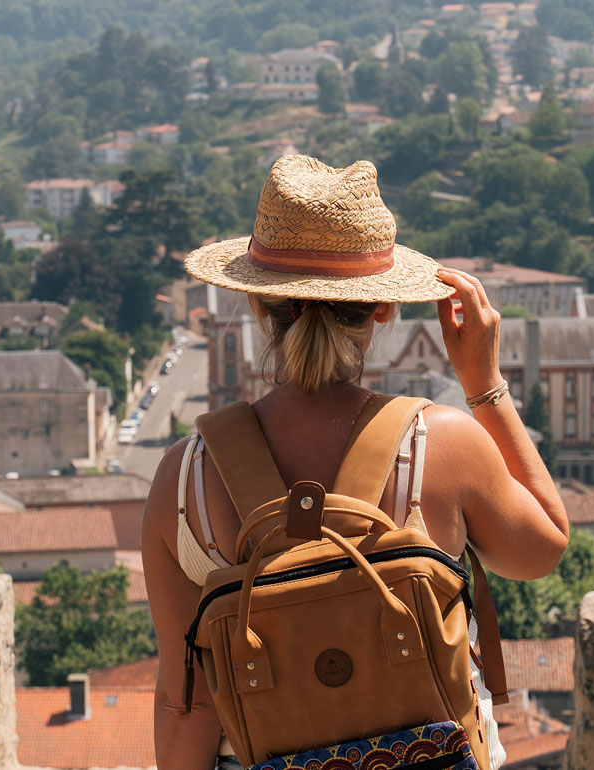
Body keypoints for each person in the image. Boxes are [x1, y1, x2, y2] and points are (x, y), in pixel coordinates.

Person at [142, 155, 570, 770]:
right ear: (383, 308)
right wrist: (485, 385)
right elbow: (543, 550)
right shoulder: (445, 444)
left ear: (260, 306)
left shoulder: (182, 480)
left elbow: (188, 701)